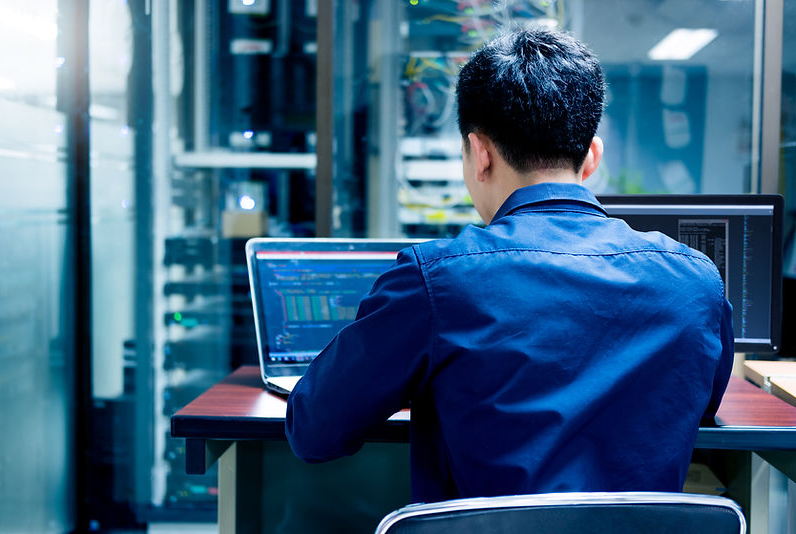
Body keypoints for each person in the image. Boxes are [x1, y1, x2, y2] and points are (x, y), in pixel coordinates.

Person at [285, 28, 734, 503]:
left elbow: (314, 430)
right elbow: (698, 405)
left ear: (479, 154)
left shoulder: (437, 280)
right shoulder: (697, 282)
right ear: (592, 158)